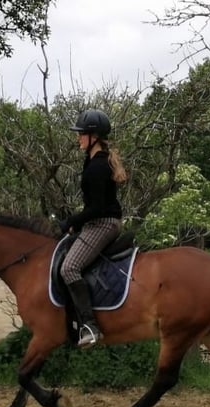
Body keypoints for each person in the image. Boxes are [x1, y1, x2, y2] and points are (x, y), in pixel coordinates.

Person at [59, 109, 128, 347]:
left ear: (94, 137)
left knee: (69, 268)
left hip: (102, 224)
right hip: (100, 222)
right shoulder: (93, 161)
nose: (78, 138)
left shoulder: (97, 167)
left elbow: (97, 208)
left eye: (81, 134)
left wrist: (72, 221)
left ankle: (90, 325)